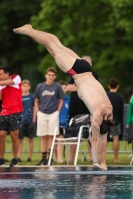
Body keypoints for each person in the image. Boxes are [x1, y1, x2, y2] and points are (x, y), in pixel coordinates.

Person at [13, 24, 113, 170]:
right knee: (51, 45)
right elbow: (98, 138)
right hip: (76, 72)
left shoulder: (108, 109)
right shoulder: (97, 115)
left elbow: (104, 137)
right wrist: (97, 162)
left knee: (55, 45)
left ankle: (31, 30)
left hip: (85, 68)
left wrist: (104, 162)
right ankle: (29, 31)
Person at [66, 55, 97, 163]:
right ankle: (71, 158)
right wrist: (81, 86)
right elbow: (68, 87)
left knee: (89, 135)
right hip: (74, 110)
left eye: (87, 63)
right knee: (73, 135)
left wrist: (76, 86)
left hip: (87, 109)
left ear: (90, 65)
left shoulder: (94, 75)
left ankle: (92, 157)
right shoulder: (74, 75)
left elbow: (90, 87)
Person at [33, 67, 64, 165]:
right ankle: (43, 158)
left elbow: (61, 99)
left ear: (55, 77)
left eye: (53, 75)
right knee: (43, 136)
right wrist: (37, 111)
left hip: (53, 113)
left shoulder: (57, 86)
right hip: (42, 113)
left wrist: (58, 111)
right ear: (46, 75)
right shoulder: (40, 86)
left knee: (51, 136)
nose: (50, 77)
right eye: (49, 75)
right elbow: (36, 100)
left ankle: (50, 158)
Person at [0, 65, 23, 167]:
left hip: (15, 111)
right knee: (1, 135)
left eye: (0, 74)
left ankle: (15, 158)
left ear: (6, 74)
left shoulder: (16, 78)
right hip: (4, 112)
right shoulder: (1, 85)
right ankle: (1, 158)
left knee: (14, 136)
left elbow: (8, 83)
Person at [17, 79, 36, 163]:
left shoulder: (32, 96)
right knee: (19, 140)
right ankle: (19, 156)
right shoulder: (18, 96)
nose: (25, 88)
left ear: (29, 87)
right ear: (21, 87)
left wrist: (34, 119)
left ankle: (29, 157)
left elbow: (34, 108)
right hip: (20, 121)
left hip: (30, 120)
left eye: (27, 86)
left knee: (30, 139)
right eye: (23, 86)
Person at [107, 78, 124, 162]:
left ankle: (102, 158)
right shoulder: (120, 97)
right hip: (116, 120)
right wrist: (119, 119)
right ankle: (116, 158)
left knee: (103, 138)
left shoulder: (106, 95)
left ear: (108, 86)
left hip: (106, 119)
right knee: (115, 138)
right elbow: (121, 110)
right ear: (118, 86)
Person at [54, 81, 70, 163]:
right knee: (55, 141)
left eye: (64, 88)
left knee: (60, 139)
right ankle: (56, 158)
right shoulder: (54, 99)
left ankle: (60, 158)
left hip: (63, 123)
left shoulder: (68, 99)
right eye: (61, 88)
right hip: (54, 122)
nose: (63, 90)